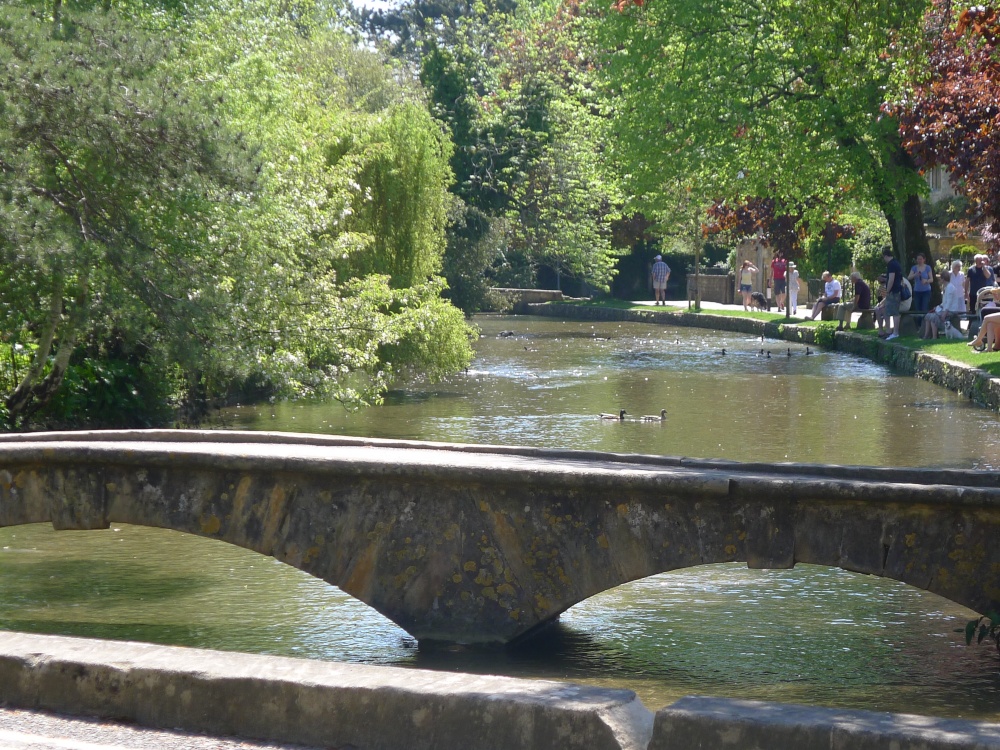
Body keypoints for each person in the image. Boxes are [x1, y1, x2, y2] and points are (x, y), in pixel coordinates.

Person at [920, 270, 965, 339]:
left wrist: (944, 313)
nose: (940, 280)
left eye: (940, 278)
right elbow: (944, 302)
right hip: (946, 308)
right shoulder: (946, 287)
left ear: (943, 279)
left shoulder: (950, 288)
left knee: (933, 317)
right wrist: (938, 307)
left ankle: (934, 337)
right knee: (929, 315)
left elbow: (949, 303)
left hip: (951, 310)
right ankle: (926, 335)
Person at [880, 249, 904, 340]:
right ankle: (891, 331)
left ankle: (895, 333)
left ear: (886, 256)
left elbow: (891, 279)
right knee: (891, 311)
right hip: (896, 290)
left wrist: (887, 290)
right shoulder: (896, 263)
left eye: (884, 257)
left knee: (894, 312)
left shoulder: (891, 265)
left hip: (893, 291)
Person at [908, 253, 933, 320]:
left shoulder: (927, 267)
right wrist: (915, 275)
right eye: (918, 259)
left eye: (920, 259)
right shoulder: (914, 268)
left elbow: (931, 279)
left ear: (924, 259)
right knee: (917, 308)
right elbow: (909, 277)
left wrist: (926, 281)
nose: (919, 260)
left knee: (924, 307)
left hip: (926, 291)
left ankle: (925, 324)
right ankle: (919, 325)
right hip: (917, 291)